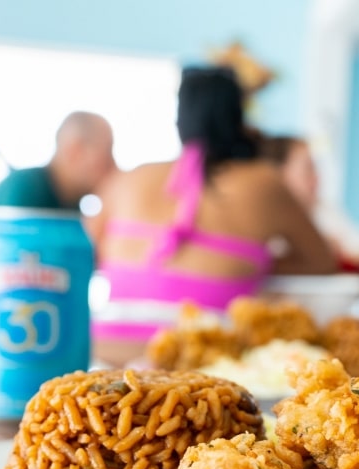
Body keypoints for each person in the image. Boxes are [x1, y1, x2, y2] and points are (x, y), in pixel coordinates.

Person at [88, 67, 336, 347]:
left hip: (108, 347)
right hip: (205, 357)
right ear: (239, 117)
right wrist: (253, 263)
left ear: (179, 119)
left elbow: (85, 252)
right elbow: (321, 261)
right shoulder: (264, 184)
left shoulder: (126, 180)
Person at [0, 111, 116, 314]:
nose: (113, 168)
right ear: (76, 150)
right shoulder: (25, 192)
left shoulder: (71, 207)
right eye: (108, 155)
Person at [259, 135, 359, 271]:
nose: (317, 177)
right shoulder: (263, 218)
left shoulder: (325, 210)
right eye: (308, 169)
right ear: (278, 175)